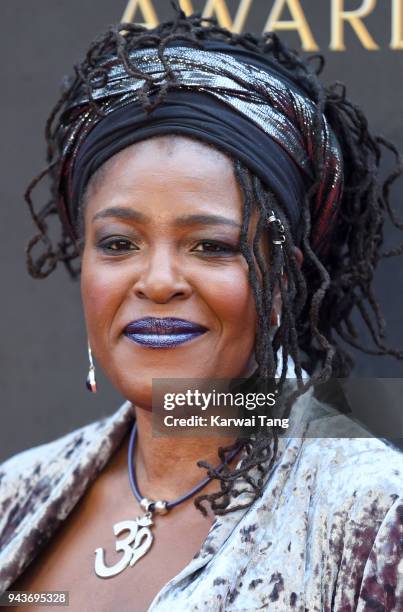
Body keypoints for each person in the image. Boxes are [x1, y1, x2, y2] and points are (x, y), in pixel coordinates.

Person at [1, 7, 402, 611]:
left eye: (212, 246)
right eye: (118, 244)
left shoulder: (374, 518)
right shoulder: (16, 492)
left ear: (281, 281)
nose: (158, 281)